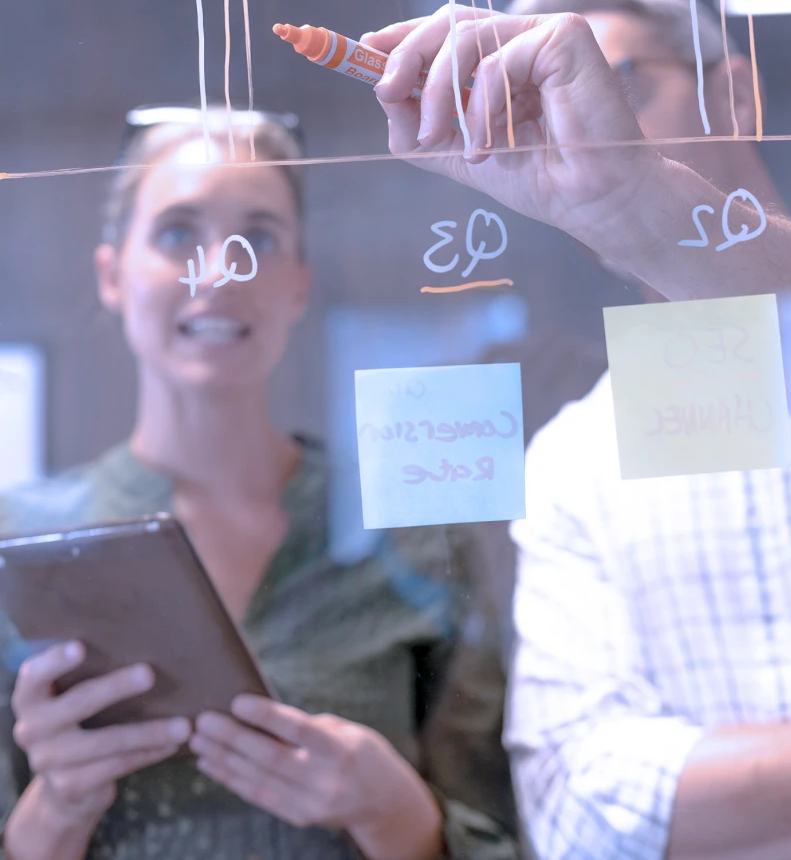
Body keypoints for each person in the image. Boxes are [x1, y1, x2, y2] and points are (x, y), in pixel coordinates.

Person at [362, 0, 791, 860]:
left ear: (732, 91)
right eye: (534, 115)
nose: (586, 129)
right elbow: (580, 811)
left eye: (626, 85)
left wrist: (637, 203)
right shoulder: (576, 458)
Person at [0, 111, 518, 860]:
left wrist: (397, 812)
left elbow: (503, 833)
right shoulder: (21, 546)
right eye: (178, 232)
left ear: (298, 284)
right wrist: (59, 806)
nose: (220, 270)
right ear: (112, 273)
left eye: (259, 238)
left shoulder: (403, 533)